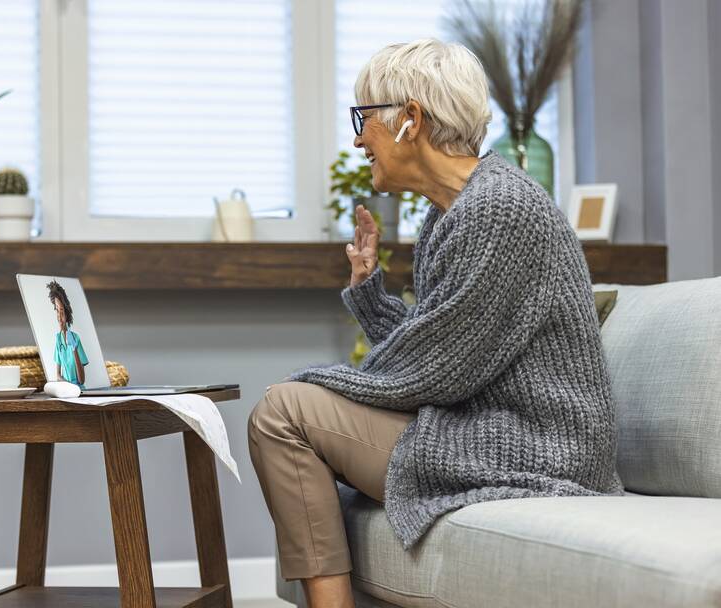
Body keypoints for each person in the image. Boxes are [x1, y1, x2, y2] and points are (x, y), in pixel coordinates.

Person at [247, 39, 625, 608]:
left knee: (283, 410)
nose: (356, 138)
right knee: (291, 404)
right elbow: (441, 344)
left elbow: (434, 370)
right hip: (485, 426)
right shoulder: (455, 211)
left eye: (363, 117)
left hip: (535, 447)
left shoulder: (500, 208)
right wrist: (368, 291)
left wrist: (316, 382)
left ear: (410, 121)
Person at [47, 279, 88, 388]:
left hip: (80, 391)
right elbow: (58, 375)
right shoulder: (58, 339)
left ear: (67, 314)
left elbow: (82, 380)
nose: (59, 317)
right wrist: (68, 385)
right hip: (67, 389)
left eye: (62, 312)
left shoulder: (76, 338)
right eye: (57, 311)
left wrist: (74, 349)